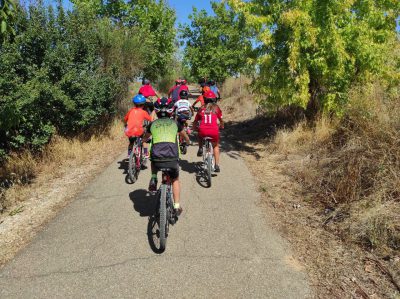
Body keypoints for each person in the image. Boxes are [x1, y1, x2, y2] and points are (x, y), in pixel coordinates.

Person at [147, 97, 190, 215]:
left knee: (153, 158)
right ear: (172, 111)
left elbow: (145, 137)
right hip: (172, 158)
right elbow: (184, 136)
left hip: (157, 159)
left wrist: (146, 139)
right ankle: (176, 206)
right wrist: (188, 142)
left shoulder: (152, 124)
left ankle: (154, 178)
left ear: (156, 111)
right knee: (175, 180)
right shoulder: (175, 124)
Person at [193, 91, 224, 173]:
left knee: (199, 135)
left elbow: (195, 121)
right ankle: (217, 165)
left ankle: (200, 148)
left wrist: (194, 128)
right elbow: (221, 120)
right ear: (214, 100)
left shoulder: (201, 109)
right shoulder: (216, 108)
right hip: (214, 131)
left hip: (203, 131)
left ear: (205, 99)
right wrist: (222, 126)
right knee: (215, 146)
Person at [124, 94, 152, 159]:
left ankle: (129, 154)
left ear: (134, 104)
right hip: (139, 131)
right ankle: (145, 153)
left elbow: (125, 119)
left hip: (129, 131)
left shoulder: (131, 111)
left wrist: (126, 125)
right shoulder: (143, 112)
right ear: (143, 104)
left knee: (131, 142)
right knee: (143, 140)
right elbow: (150, 119)